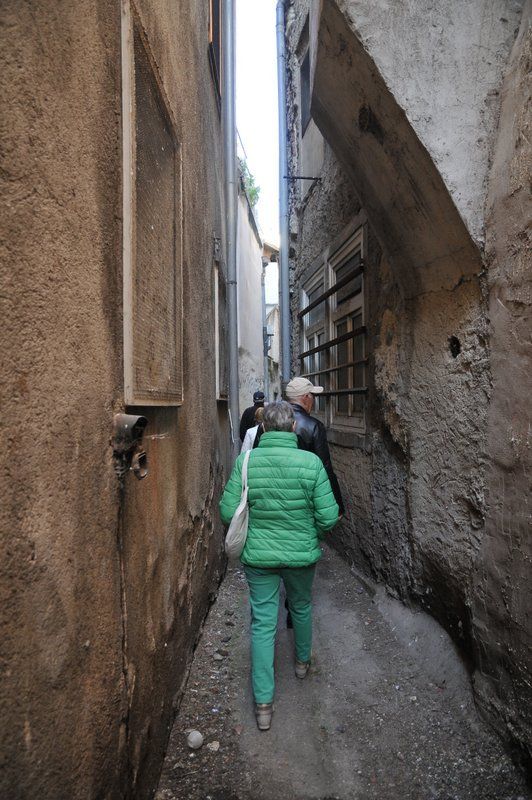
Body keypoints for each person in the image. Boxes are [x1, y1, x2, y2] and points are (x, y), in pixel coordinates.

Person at [219, 402, 339, 732]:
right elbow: (329, 516)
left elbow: (227, 511)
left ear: (265, 428)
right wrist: (310, 535)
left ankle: (263, 705)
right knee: (300, 605)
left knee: (262, 622)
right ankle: (302, 663)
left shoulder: (247, 462)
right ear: (292, 428)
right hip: (301, 554)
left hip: (259, 557)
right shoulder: (311, 463)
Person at [285, 377, 345, 515]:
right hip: (304, 496)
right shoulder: (313, 426)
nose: (314, 399)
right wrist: (337, 505)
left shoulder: (270, 423)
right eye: (312, 395)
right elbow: (325, 467)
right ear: (306, 397)